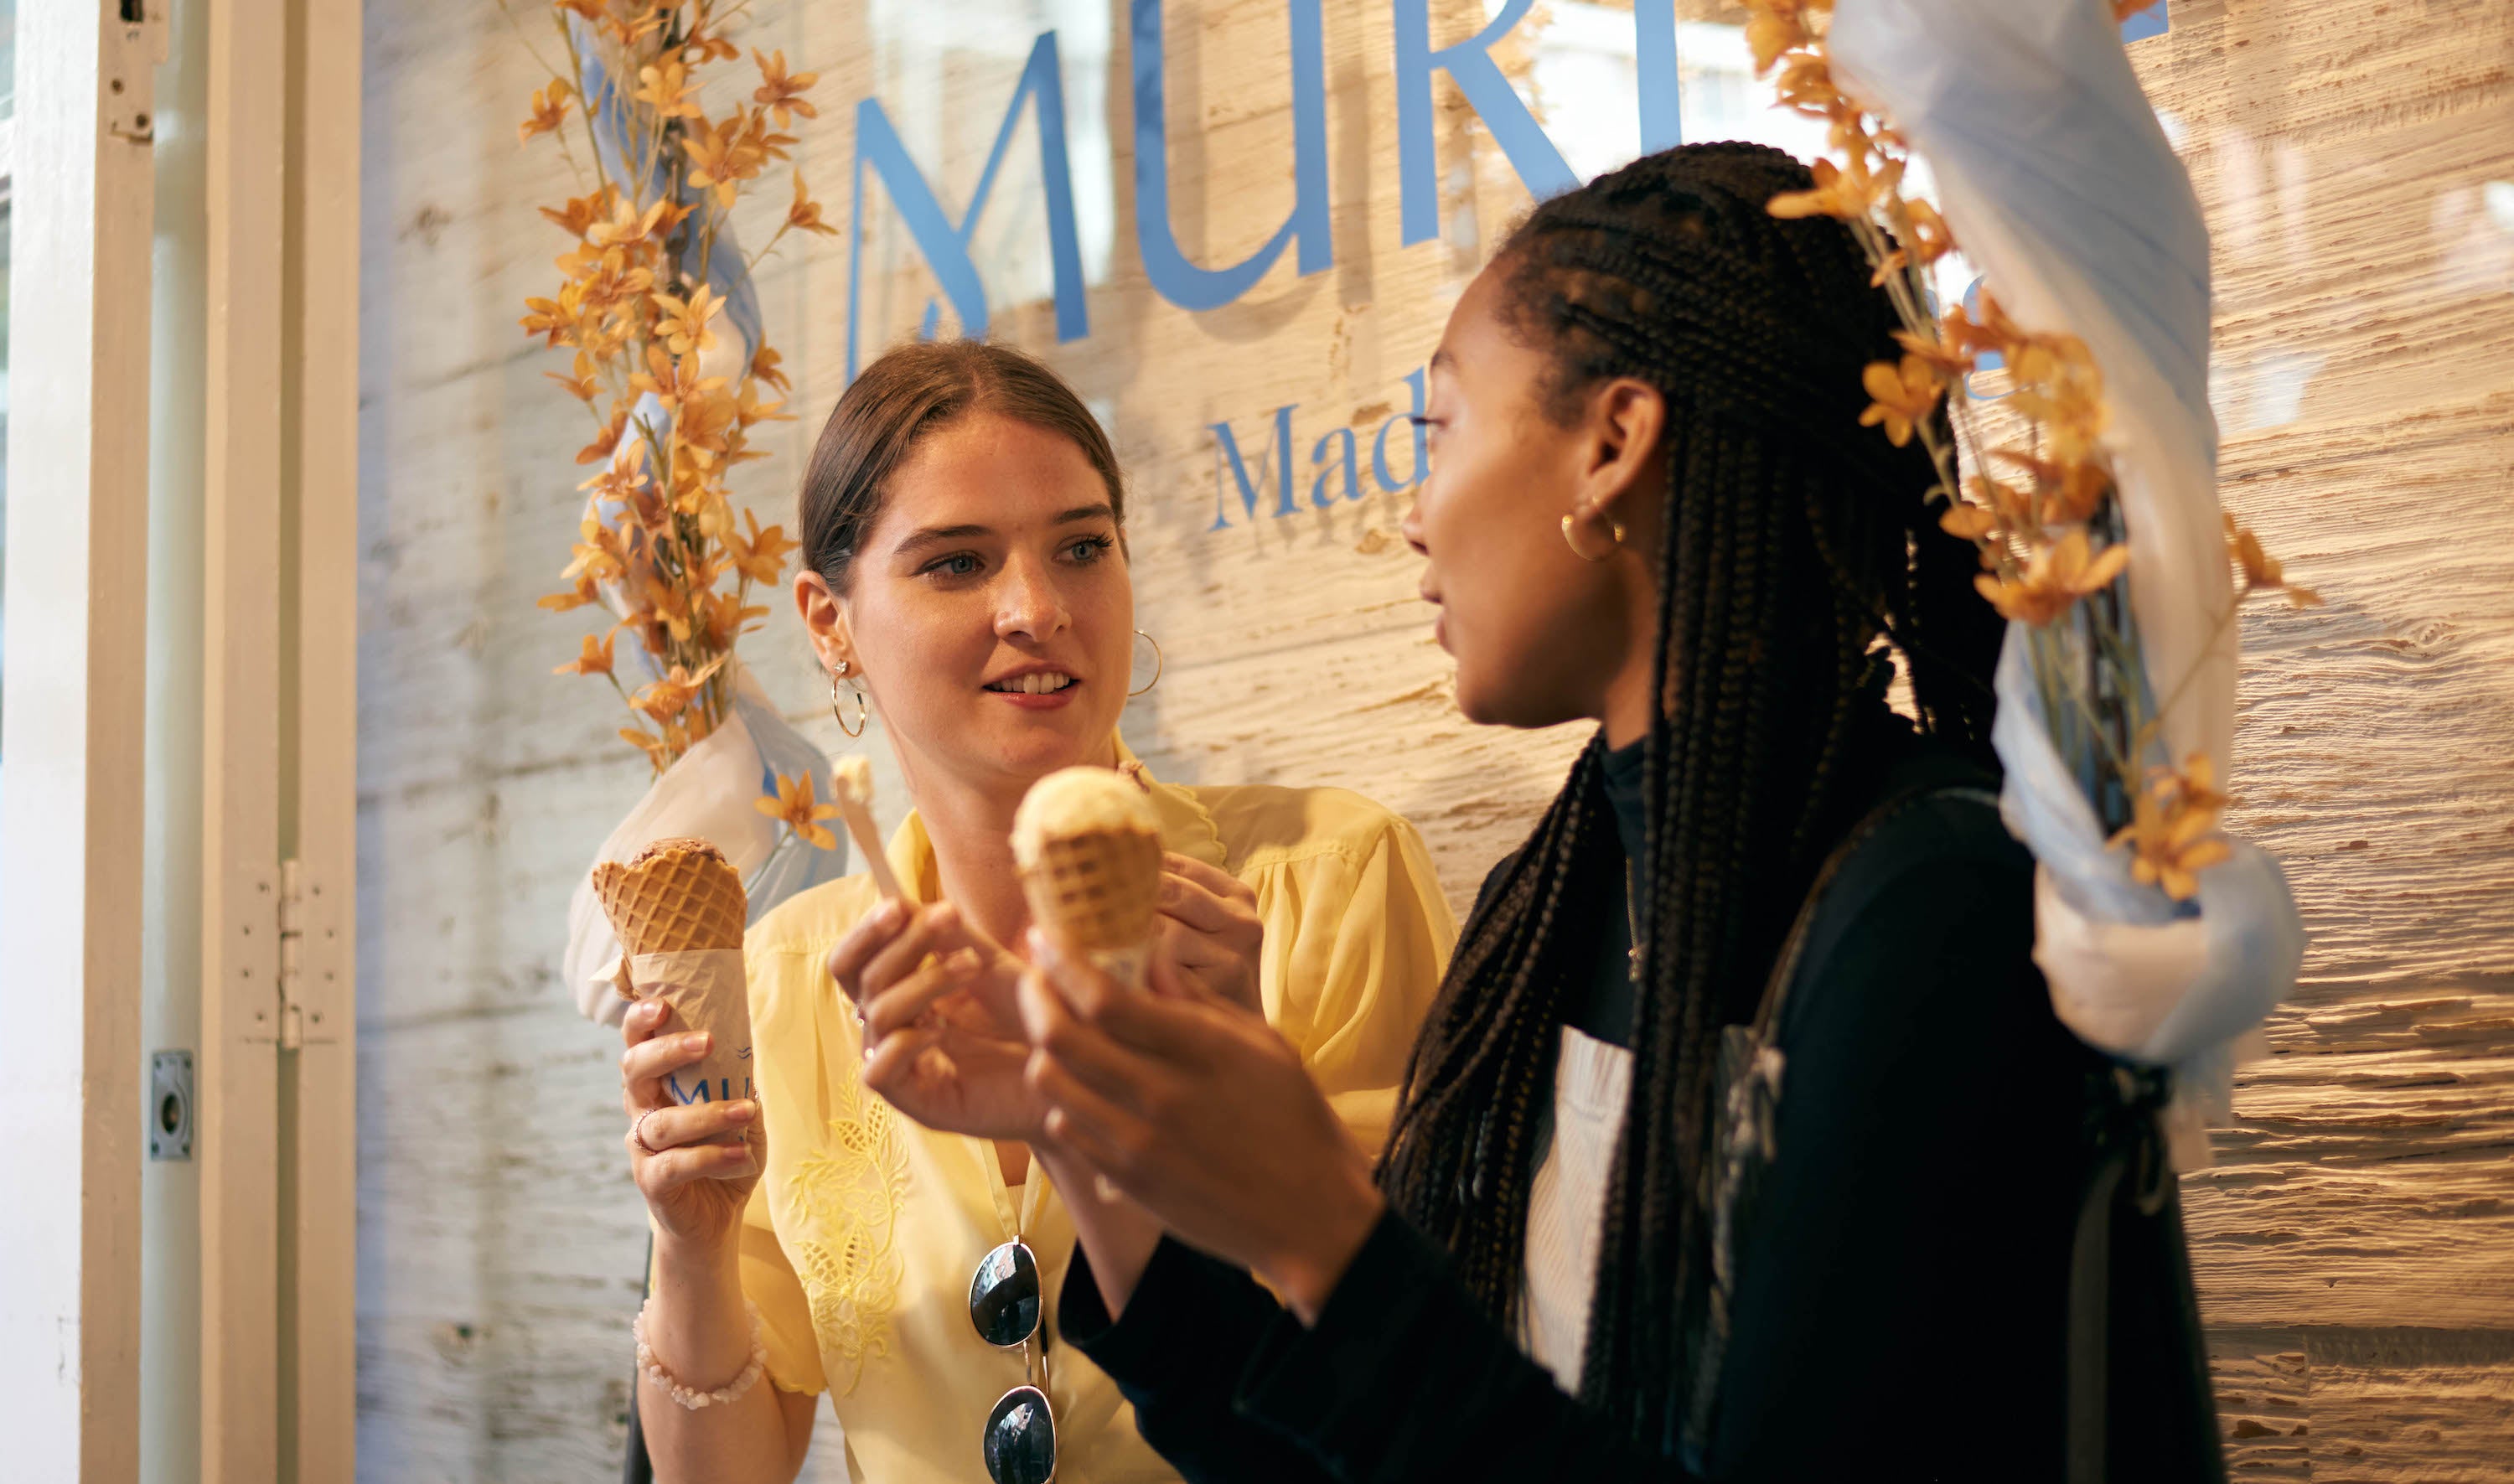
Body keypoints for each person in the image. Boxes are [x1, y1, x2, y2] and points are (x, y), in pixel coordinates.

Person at [979, 144, 2228, 1481]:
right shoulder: (1556, 902)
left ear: (1613, 444)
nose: (1414, 520)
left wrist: (1323, 1234)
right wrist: (1081, 1122)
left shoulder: (1932, 912)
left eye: (1439, 427)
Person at [614, 339, 1455, 1484]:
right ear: (828, 622)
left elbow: (1420, 1398)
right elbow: (729, 1472)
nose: (1038, 608)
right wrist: (693, 1248)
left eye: (1082, 547)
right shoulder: (786, 976)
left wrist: (1224, 1113)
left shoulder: (1325, 882)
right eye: (957, 564)